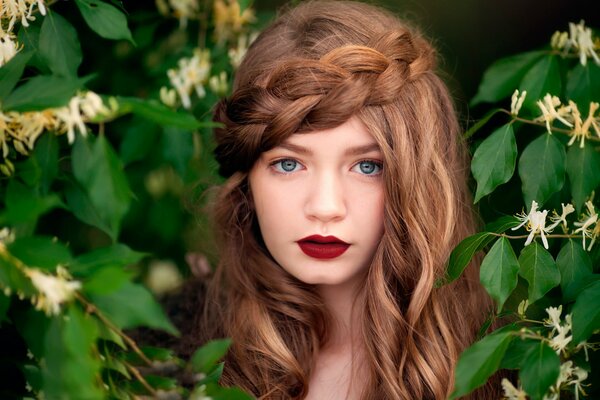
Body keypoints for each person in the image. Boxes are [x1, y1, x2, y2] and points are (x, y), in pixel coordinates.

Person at [195, 1, 497, 398]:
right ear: (247, 178)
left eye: (367, 167)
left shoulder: (506, 365)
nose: (324, 207)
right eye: (288, 164)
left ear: (418, 181)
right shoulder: (176, 358)